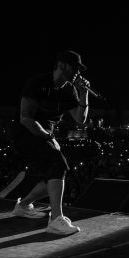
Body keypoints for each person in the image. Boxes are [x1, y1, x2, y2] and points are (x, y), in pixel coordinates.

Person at [10, 50, 91, 235]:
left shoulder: (70, 90)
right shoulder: (37, 83)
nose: (78, 72)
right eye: (75, 68)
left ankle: (22, 205)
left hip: (45, 135)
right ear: (62, 65)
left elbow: (80, 120)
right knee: (58, 163)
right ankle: (55, 219)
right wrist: (49, 137)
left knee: (54, 176)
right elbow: (25, 118)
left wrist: (83, 93)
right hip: (25, 133)